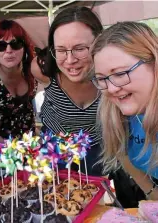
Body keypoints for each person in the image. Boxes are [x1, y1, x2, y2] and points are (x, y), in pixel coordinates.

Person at [31, 6, 104, 176]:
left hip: (96, 146)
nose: (70, 61)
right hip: (54, 144)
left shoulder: (113, 75)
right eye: (61, 50)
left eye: (80, 48)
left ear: (99, 42)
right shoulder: (42, 70)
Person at [91, 21, 158, 200]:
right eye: (102, 79)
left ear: (154, 63)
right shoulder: (115, 113)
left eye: (120, 74)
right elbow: (123, 155)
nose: (111, 89)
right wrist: (151, 192)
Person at [0, 19, 37, 140]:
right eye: (0, 45)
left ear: (24, 47)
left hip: (27, 147)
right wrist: (3, 146)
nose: (9, 50)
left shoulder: (33, 72)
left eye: (16, 43)